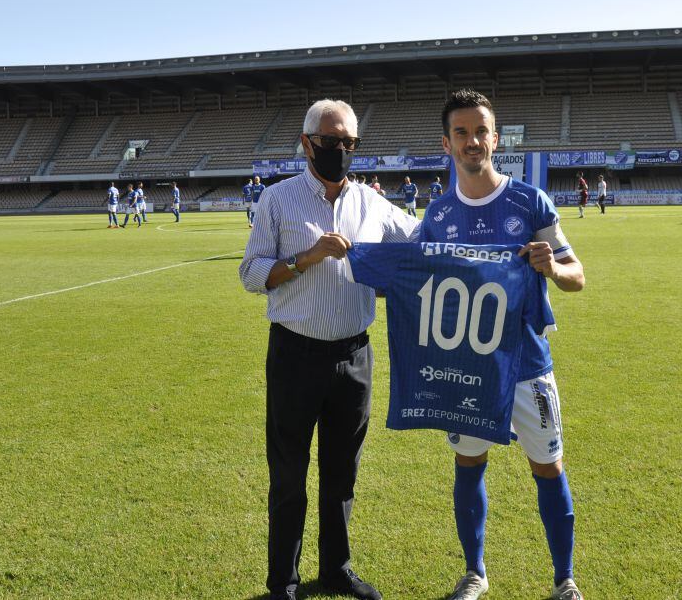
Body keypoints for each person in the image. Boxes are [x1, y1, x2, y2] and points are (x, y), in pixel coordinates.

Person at [239, 99, 419, 600]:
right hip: (295, 355)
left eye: (349, 143)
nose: (340, 151)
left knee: (342, 473)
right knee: (289, 476)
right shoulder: (277, 201)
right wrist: (307, 258)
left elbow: (420, 242)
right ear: (306, 143)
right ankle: (284, 582)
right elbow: (252, 274)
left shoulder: (372, 203)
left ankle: (336, 569)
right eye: (330, 141)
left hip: (354, 357)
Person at [419, 89, 586, 600]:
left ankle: (564, 580)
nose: (473, 141)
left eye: (481, 131)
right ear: (447, 144)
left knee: (548, 467)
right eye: (462, 133)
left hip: (528, 364)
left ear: (496, 137)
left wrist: (552, 266)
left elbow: (577, 275)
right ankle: (475, 574)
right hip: (467, 368)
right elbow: (418, 279)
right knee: (468, 465)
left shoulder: (529, 202)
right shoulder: (439, 215)